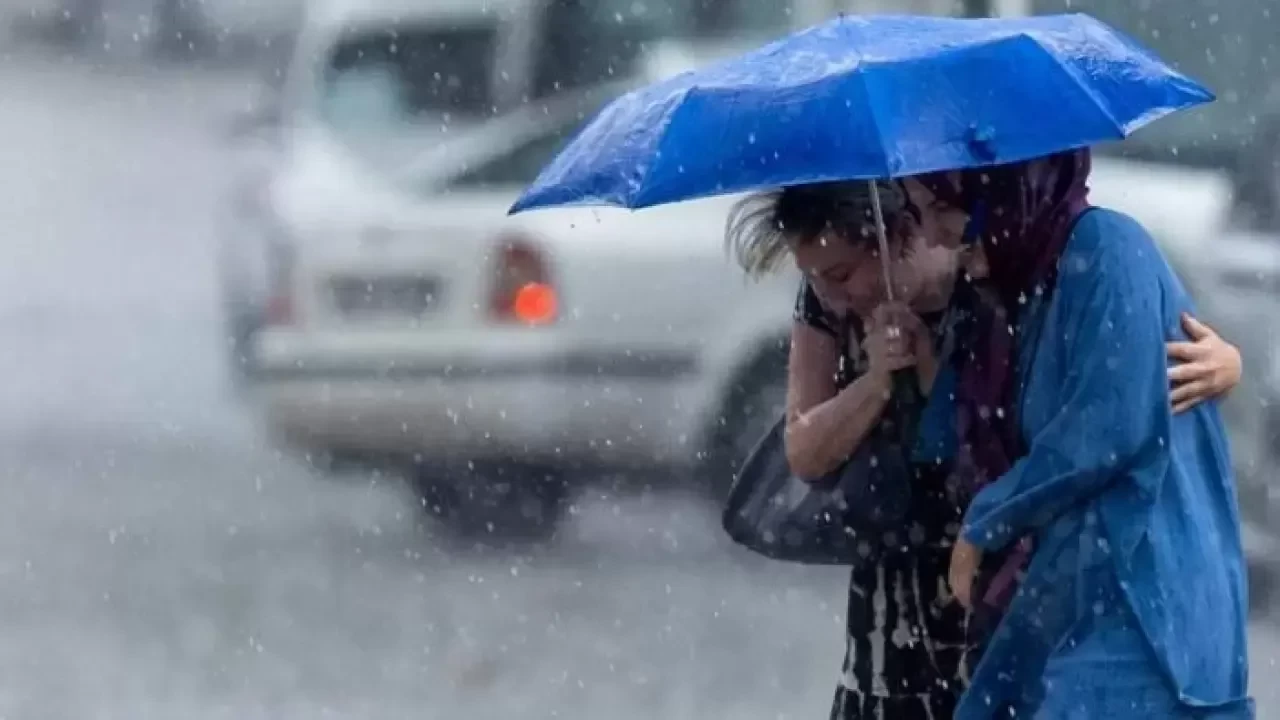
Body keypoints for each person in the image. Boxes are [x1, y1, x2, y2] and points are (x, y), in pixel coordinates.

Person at [724, 178, 1243, 720]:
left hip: (997, 564)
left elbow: (1104, 386)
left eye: (841, 274)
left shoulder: (985, 265)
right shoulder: (828, 306)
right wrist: (875, 384)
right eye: (812, 278)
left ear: (893, 236)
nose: (832, 296)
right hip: (897, 575)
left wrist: (1227, 366)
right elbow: (805, 452)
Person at [899, 149, 1253, 718]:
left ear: (1008, 193)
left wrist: (988, 521)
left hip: (1144, 607)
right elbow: (946, 439)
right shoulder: (1020, 289)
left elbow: (1106, 429)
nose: (936, 236)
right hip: (1072, 600)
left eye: (945, 210)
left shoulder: (1107, 249)